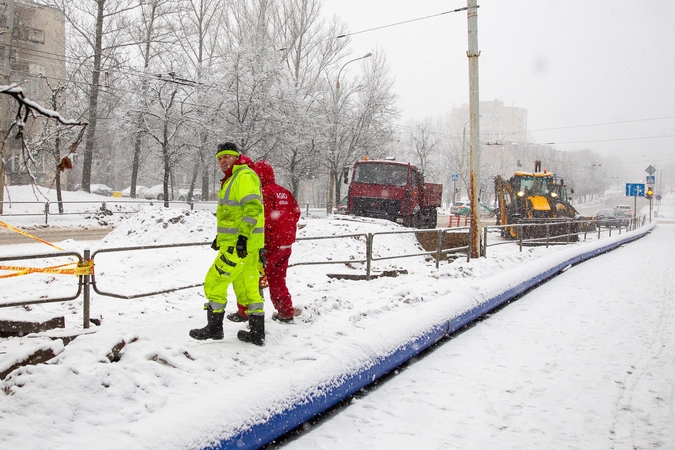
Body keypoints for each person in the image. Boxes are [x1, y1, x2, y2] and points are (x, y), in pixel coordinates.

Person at [189, 142, 266, 345]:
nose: (223, 161)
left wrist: (241, 237)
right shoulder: (234, 178)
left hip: (240, 246)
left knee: (214, 281)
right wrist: (221, 238)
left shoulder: (243, 176)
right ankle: (257, 332)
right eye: (220, 158)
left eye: (227, 157)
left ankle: (214, 329)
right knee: (248, 288)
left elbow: (252, 208)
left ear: (236, 157)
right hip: (244, 245)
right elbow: (232, 214)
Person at [227, 160, 301, 324]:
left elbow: (262, 220)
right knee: (278, 279)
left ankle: (247, 312)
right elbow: (296, 213)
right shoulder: (285, 192)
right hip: (286, 244)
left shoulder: (262, 193)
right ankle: (285, 312)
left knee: (250, 277)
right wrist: (286, 231)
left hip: (269, 244)